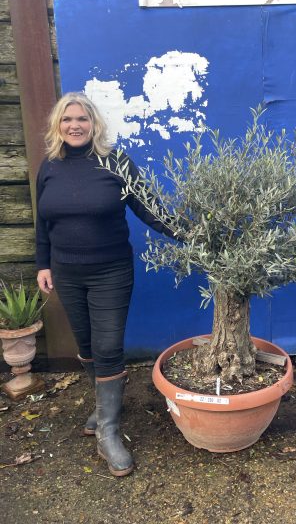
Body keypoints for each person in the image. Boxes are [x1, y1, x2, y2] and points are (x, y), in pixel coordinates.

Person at [36, 92, 176, 477]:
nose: (75, 125)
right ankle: (102, 406)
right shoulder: (50, 165)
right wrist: (42, 264)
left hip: (110, 271)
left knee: (109, 346)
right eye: (67, 120)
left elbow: (149, 207)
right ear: (58, 126)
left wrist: (193, 233)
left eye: (82, 118)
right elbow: (43, 222)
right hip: (66, 271)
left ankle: (109, 433)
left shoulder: (115, 162)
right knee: (86, 345)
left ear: (94, 124)